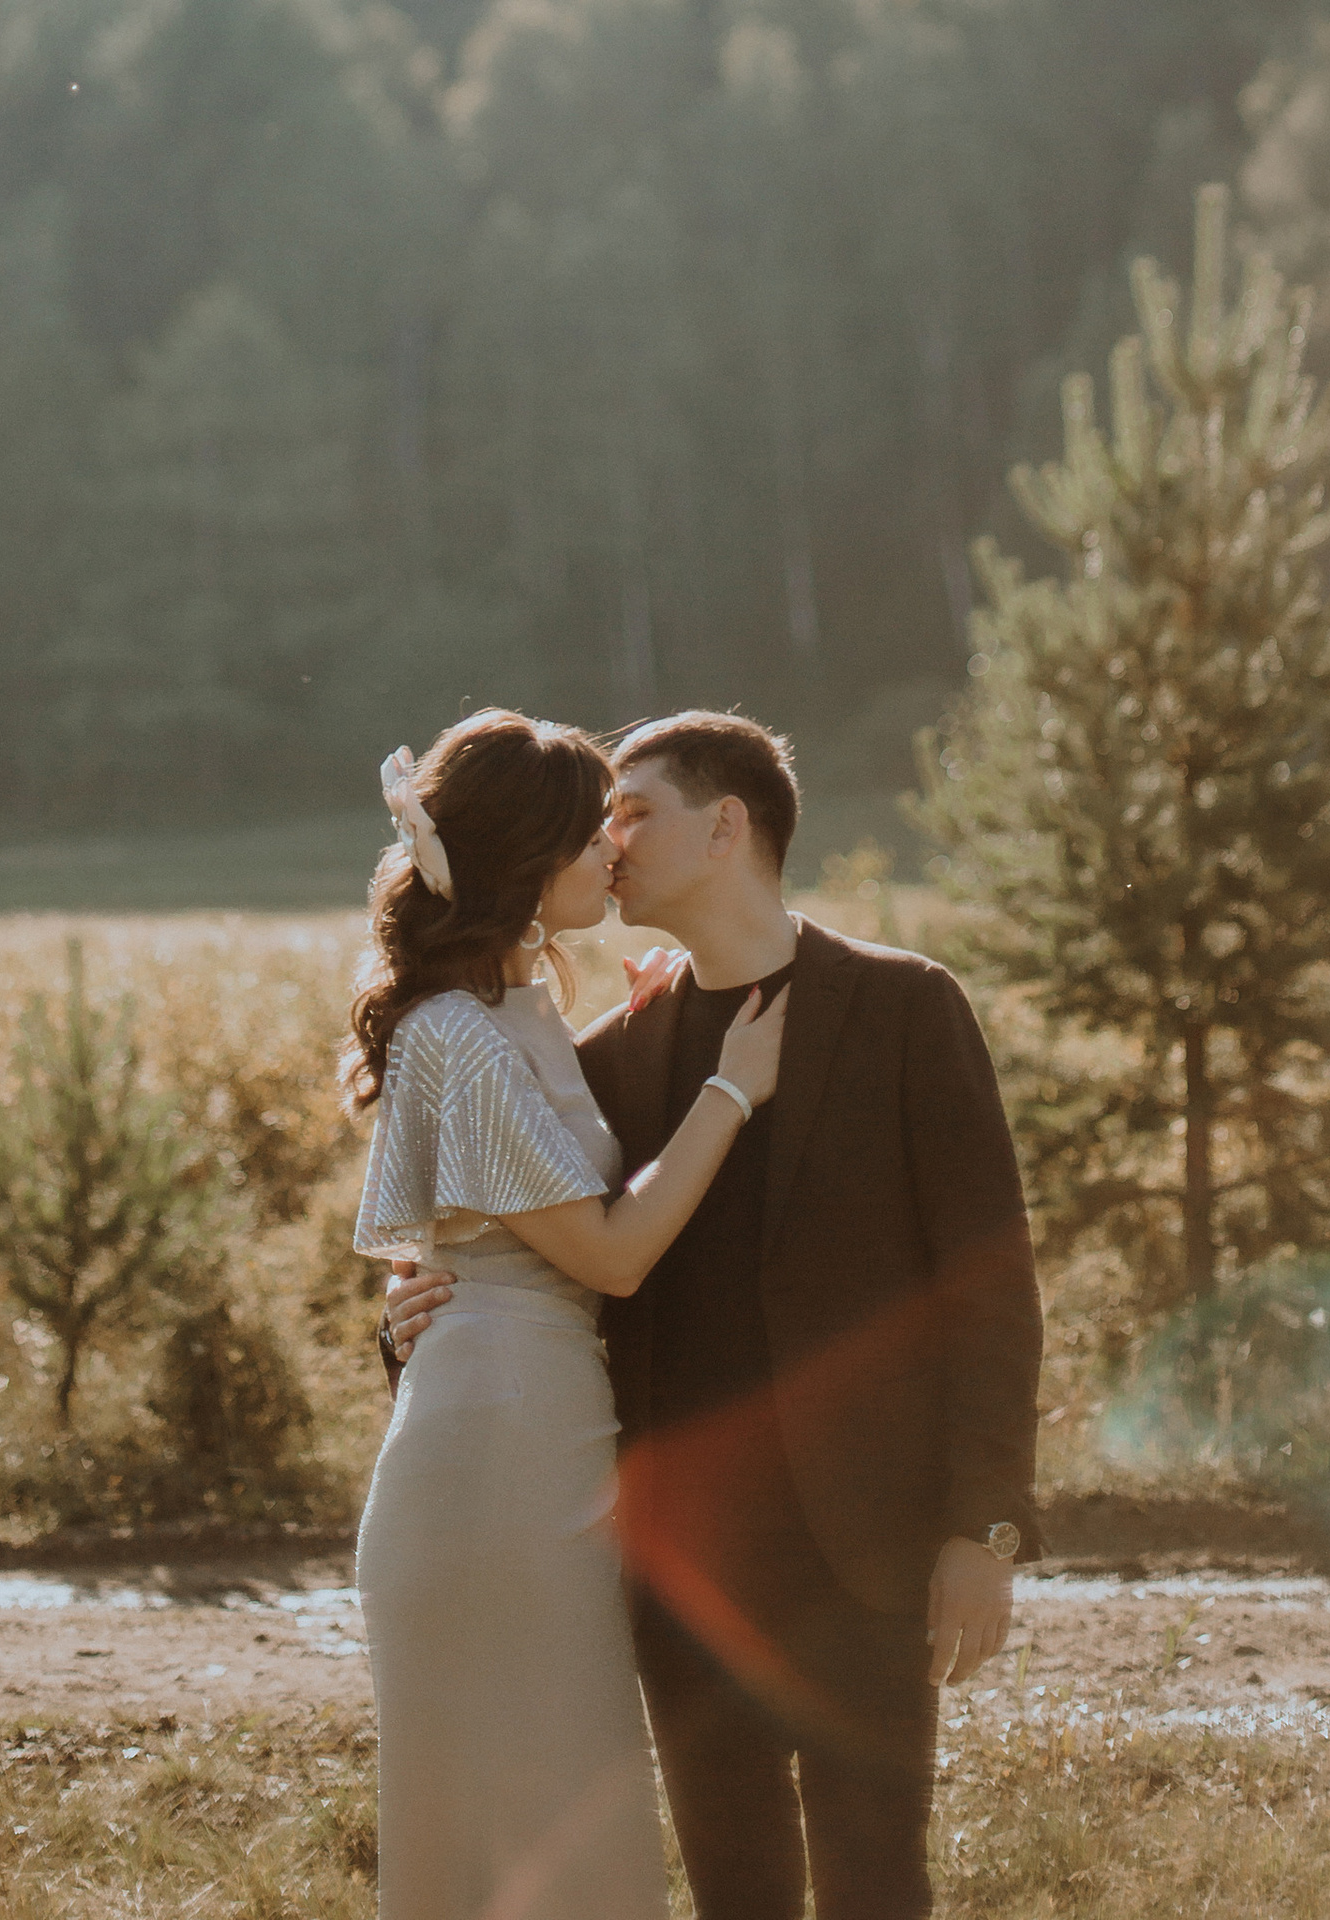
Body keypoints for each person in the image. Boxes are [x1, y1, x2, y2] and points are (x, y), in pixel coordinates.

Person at [386, 710, 1041, 1920]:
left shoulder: (905, 1006)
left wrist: (983, 1528)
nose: (610, 842)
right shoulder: (608, 1056)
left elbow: (990, 1285)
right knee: (733, 1891)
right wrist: (416, 1303)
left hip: (869, 1544)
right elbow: (523, 1242)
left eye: (631, 813)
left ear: (725, 825)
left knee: (876, 1880)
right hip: (681, 1559)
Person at [346, 709, 790, 1920]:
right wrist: (726, 1093)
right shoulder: (455, 1034)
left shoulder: (516, 1011)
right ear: (526, 862)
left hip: (533, 1431)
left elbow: (537, 1145)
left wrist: (645, 1011)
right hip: (496, 1460)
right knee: (533, 1814)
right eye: (593, 833)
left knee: (563, 1807)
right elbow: (613, 1252)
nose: (614, 854)